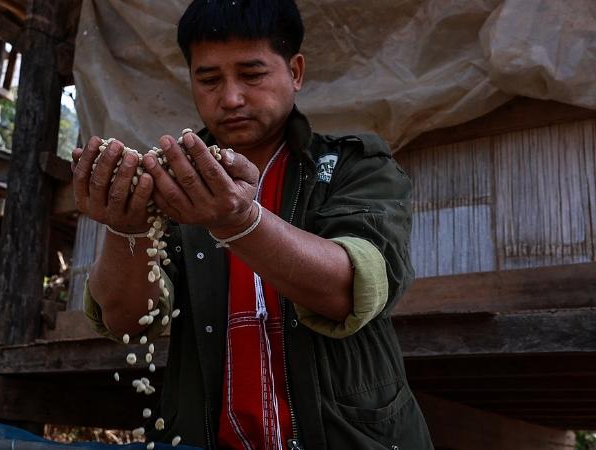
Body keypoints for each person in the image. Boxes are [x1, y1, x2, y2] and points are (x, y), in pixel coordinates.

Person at [71, 0, 434, 448]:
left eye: (252, 74)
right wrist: (124, 229)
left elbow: (348, 290)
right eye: (208, 80)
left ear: (295, 72)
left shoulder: (353, 165)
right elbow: (130, 322)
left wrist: (242, 223)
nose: (230, 98)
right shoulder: (169, 179)